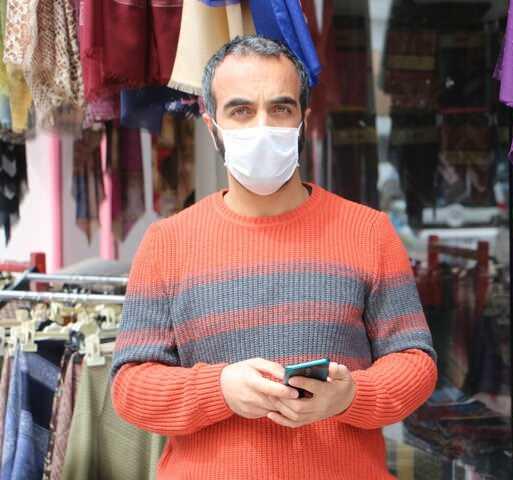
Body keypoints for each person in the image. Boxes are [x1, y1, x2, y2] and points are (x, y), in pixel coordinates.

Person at [111, 35, 437, 480]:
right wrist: (218, 389)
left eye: (280, 109)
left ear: (304, 121)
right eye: (241, 110)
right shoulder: (167, 242)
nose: (262, 126)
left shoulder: (369, 232)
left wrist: (350, 397)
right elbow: (130, 386)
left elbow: (415, 362)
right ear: (211, 125)